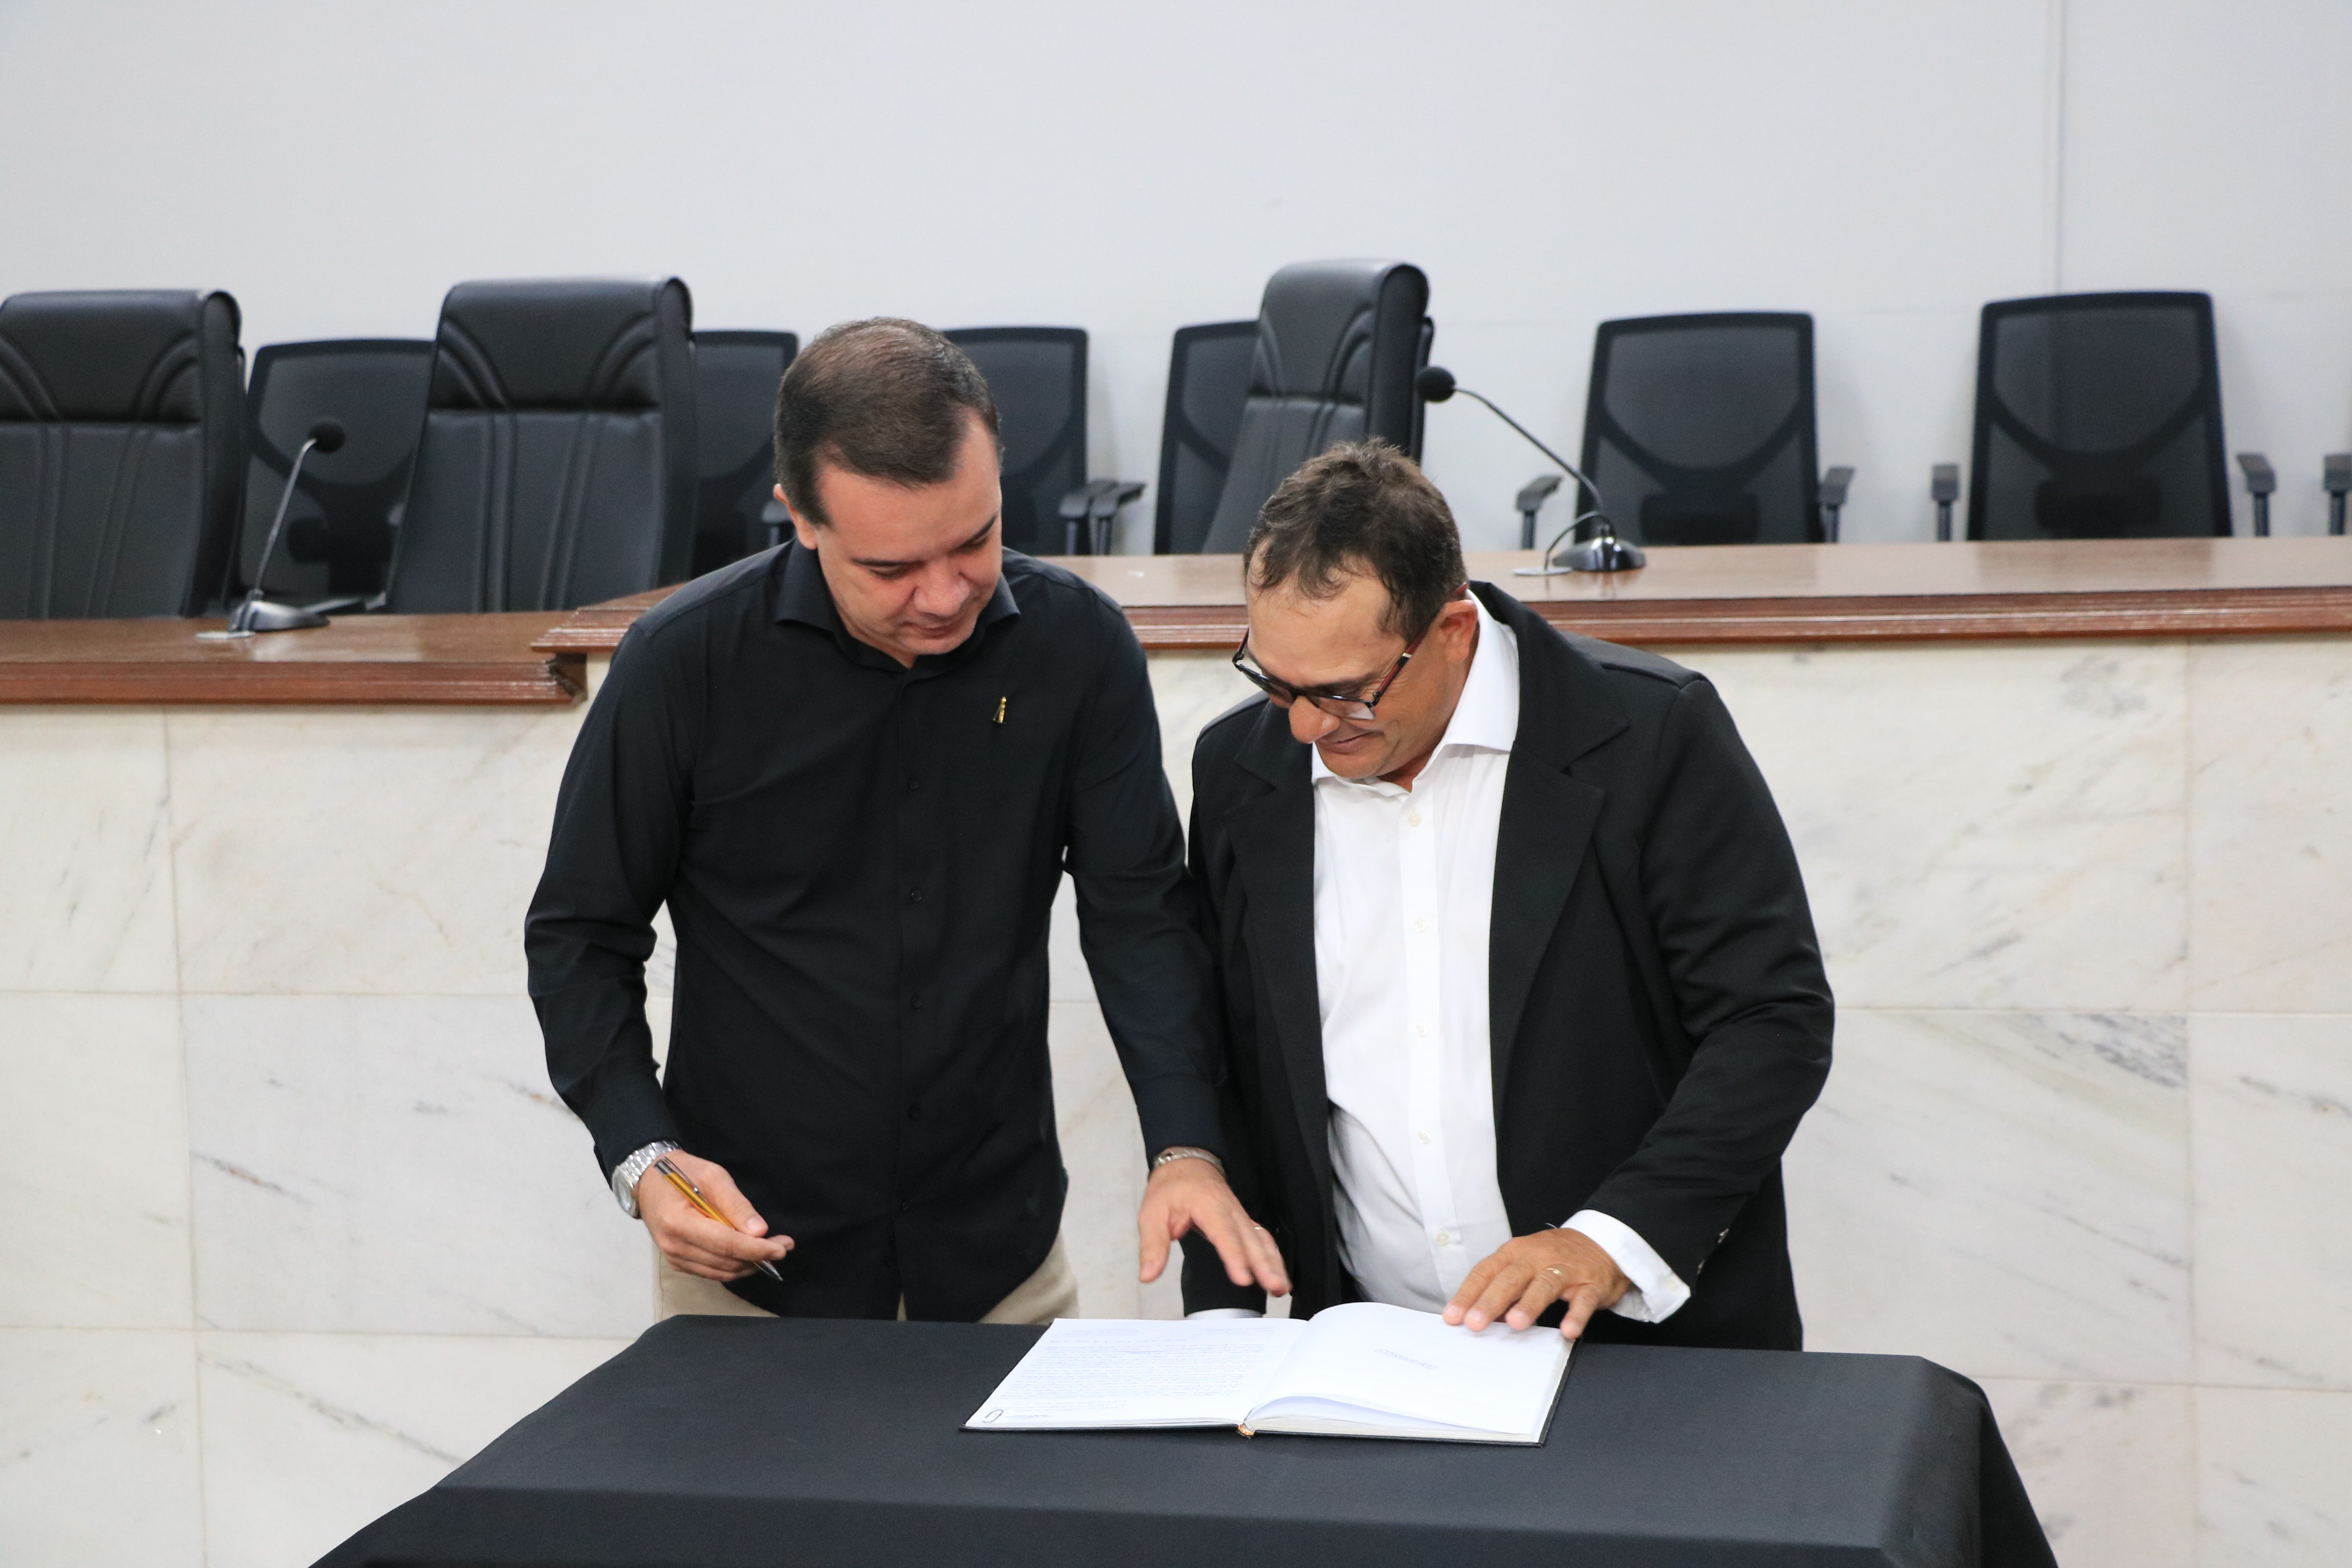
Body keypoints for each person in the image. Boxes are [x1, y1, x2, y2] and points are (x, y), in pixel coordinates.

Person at [526, 319, 1287, 1321]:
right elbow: (581, 934)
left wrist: (1186, 1145)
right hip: (752, 1265)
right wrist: (643, 1153)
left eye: (975, 541)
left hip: (999, 1255)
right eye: (891, 569)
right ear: (800, 517)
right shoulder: (683, 665)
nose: (944, 594)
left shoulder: (1076, 647)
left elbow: (1140, 913)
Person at [1180, 441, 1831, 1347]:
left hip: (1644, 1350)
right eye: (1276, 682)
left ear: (1454, 630)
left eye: (1345, 692)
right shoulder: (1242, 770)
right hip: (1373, 1350)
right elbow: (1232, 1053)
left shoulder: (1650, 736)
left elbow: (1770, 1018)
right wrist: (1223, 1315)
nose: (1303, 726)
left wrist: (1611, 1238)